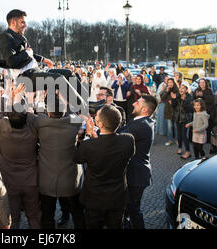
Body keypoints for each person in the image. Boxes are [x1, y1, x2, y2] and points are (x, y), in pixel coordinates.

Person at [74, 105, 135, 229]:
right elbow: (107, 147)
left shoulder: (88, 145)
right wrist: (94, 137)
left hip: (94, 198)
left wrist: (88, 137)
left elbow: (77, 159)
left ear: (100, 124)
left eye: (96, 116)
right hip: (117, 197)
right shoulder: (128, 140)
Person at [0, 86, 41, 229]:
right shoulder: (33, 129)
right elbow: (35, 118)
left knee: (13, 219)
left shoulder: (1, 126)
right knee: (34, 216)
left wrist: (9, 94)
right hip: (31, 180)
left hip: (9, 180)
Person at [33, 97, 84, 229]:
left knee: (47, 216)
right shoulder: (74, 122)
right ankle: (67, 217)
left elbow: (37, 113)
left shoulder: (40, 122)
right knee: (78, 214)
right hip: (70, 178)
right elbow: (78, 112)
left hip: (46, 179)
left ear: (48, 112)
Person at [120, 95, 158, 229]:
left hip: (136, 175)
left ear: (145, 110)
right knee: (128, 208)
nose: (134, 103)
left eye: (138, 102)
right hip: (135, 172)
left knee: (133, 209)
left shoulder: (141, 125)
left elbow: (118, 137)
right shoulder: (140, 121)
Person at [171, 84, 194, 159]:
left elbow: (189, 109)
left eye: (183, 88)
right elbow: (174, 106)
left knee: (184, 135)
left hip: (186, 119)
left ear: (187, 90)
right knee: (179, 135)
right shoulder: (177, 96)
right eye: (180, 88)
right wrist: (173, 99)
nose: (181, 89)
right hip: (178, 118)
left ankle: (188, 151)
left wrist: (184, 101)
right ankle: (180, 148)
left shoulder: (189, 97)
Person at [161, 78, 179, 146]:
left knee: (176, 126)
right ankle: (170, 140)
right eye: (168, 82)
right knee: (169, 127)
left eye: (171, 82)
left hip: (175, 110)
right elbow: (162, 98)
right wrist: (166, 91)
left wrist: (174, 100)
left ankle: (177, 139)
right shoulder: (166, 89)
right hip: (168, 110)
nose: (170, 84)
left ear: (173, 83)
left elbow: (178, 99)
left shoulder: (177, 90)